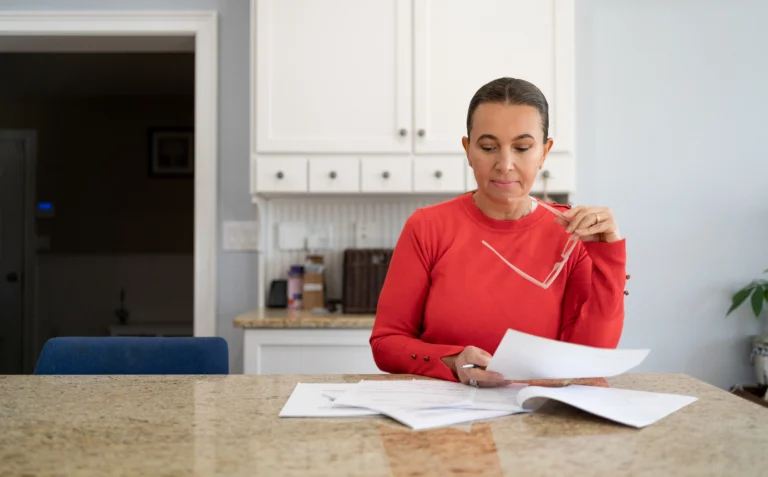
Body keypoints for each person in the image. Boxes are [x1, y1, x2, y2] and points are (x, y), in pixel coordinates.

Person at [369, 77, 628, 388]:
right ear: (468, 150)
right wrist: (452, 362)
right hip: (442, 421)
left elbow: (589, 361)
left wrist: (608, 259)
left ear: (545, 152)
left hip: (535, 421)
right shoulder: (426, 227)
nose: (505, 164)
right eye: (489, 147)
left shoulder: (573, 235)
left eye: (522, 148)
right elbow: (386, 343)